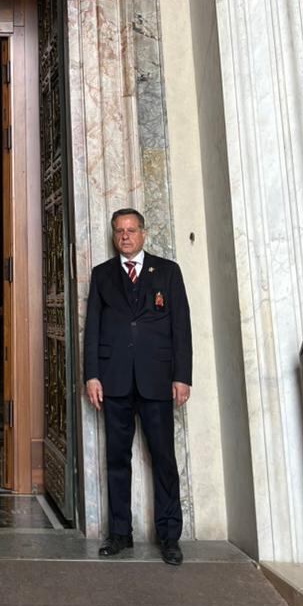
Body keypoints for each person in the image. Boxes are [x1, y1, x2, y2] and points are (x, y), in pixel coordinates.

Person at [83, 208, 192, 566]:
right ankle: (119, 533)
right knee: (117, 459)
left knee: (163, 458)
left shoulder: (168, 271)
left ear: (143, 233)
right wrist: (91, 375)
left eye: (131, 230)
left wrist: (182, 376)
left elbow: (181, 328)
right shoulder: (101, 275)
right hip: (113, 380)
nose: (125, 236)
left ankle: (169, 536)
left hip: (157, 379)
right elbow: (93, 329)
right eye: (119, 231)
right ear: (114, 236)